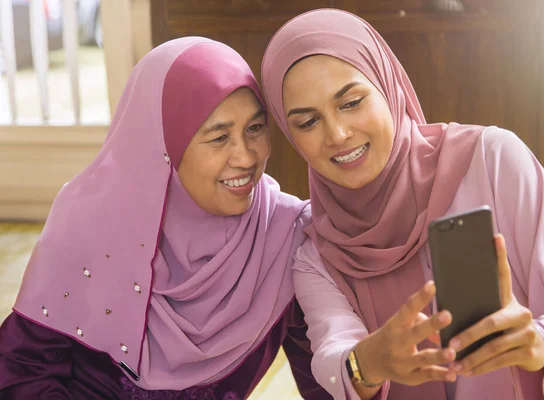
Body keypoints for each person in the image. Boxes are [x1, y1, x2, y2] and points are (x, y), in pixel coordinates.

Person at [260, 8, 544, 400]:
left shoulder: (493, 161)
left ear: (388, 86)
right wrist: (368, 361)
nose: (337, 134)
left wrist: (540, 343)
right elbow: (334, 353)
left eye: (351, 102)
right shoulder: (315, 252)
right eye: (307, 122)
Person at [0, 37, 331, 400]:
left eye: (254, 129)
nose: (247, 157)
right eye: (219, 137)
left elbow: (327, 373)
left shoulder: (284, 234)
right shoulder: (90, 223)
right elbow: (24, 371)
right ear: (163, 147)